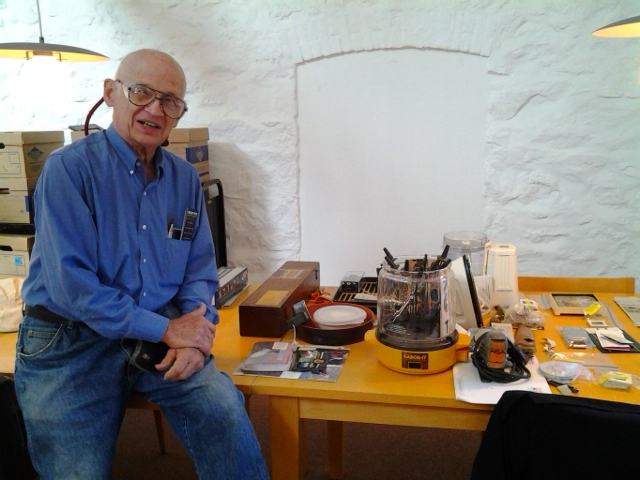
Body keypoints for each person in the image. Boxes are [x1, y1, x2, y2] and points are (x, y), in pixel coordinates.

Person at [15, 49, 268, 480]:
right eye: (142, 93)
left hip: (158, 329)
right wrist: (169, 330)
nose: (155, 109)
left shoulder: (184, 177)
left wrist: (194, 332)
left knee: (223, 409)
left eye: (170, 101)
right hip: (69, 339)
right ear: (111, 93)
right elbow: (72, 288)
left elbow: (200, 271)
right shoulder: (67, 170)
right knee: (76, 472)